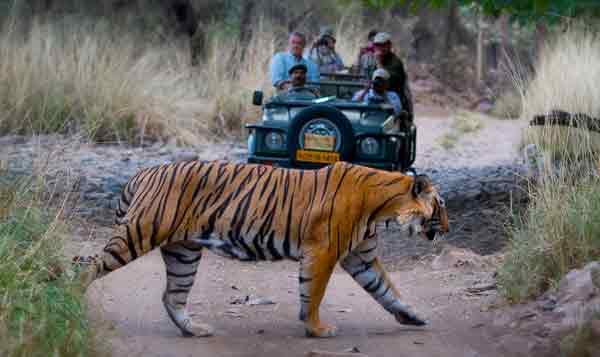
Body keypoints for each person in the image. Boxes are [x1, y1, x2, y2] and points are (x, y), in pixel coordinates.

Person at [372, 32, 413, 117]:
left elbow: (386, 80)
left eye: (383, 45)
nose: (380, 48)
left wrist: (379, 63)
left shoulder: (395, 62)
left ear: (389, 45)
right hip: (377, 96)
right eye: (377, 45)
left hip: (394, 98)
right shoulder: (374, 59)